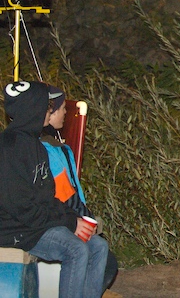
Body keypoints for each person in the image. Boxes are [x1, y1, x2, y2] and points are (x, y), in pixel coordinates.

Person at [0, 81, 109, 298]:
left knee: (98, 246)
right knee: (75, 249)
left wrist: (75, 219)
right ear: (33, 110)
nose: (49, 111)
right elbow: (21, 207)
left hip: (34, 223)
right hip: (15, 229)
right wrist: (69, 223)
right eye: (46, 106)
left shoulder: (37, 147)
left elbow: (48, 198)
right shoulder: (10, 148)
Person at [41, 86, 118, 292]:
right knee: (99, 257)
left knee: (101, 250)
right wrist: (84, 219)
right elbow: (64, 193)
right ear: (50, 113)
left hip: (66, 216)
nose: (66, 112)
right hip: (57, 219)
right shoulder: (47, 149)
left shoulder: (58, 147)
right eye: (62, 108)